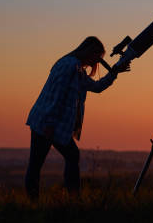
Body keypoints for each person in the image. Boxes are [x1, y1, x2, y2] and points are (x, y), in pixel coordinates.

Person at [25, 36, 129, 200]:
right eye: (98, 57)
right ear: (90, 52)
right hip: (47, 122)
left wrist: (115, 71)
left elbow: (97, 87)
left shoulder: (76, 68)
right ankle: (66, 199)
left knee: (58, 159)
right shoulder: (70, 67)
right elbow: (57, 96)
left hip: (52, 122)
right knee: (42, 162)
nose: (97, 62)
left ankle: (58, 200)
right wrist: (50, 124)